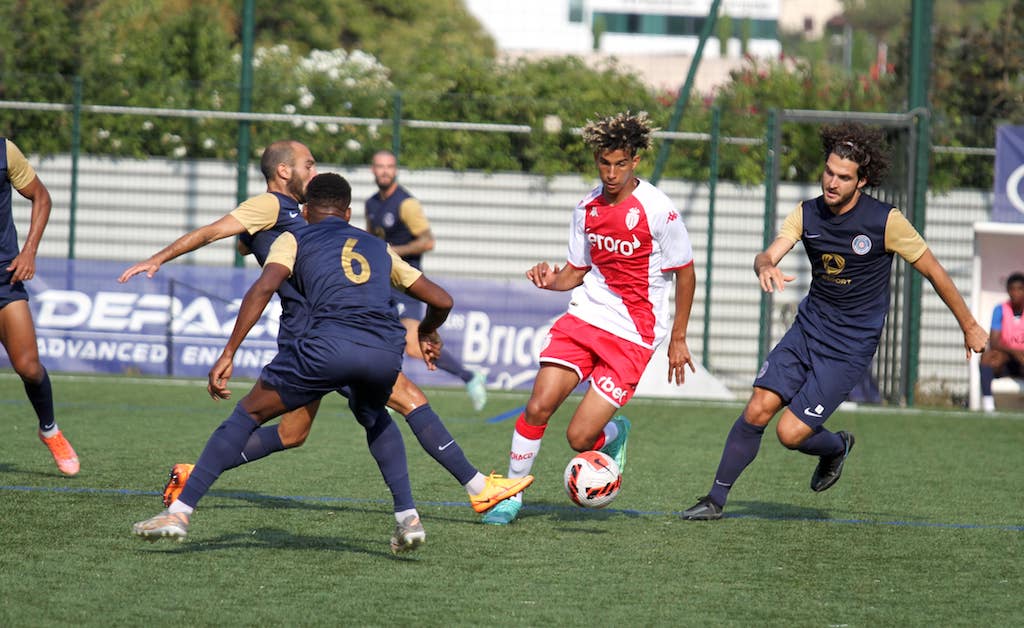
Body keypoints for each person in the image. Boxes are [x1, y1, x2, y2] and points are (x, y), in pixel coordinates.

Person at [119, 141, 530, 516]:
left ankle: (194, 476)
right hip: (316, 332)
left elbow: (247, 245)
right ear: (283, 171)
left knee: (292, 433)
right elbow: (214, 231)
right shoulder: (269, 205)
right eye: (308, 164)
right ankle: (478, 488)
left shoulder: (298, 214)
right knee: (408, 398)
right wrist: (160, 258)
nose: (314, 172)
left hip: (325, 325)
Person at [681, 122, 989, 521]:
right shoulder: (806, 213)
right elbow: (768, 253)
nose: (832, 182)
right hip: (807, 330)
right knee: (757, 408)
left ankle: (836, 447)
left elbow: (934, 271)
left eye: (843, 177)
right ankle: (715, 500)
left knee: (789, 434)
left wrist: (968, 324)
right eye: (829, 171)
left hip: (849, 348)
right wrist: (764, 265)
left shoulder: (886, 221)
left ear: (862, 181)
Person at [132, 173, 451, 551]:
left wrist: (229, 352)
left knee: (247, 414)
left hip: (325, 347)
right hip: (384, 351)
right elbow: (442, 299)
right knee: (375, 416)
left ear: (304, 210)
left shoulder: (294, 236)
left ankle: (180, 513)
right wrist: (427, 331)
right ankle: (408, 519)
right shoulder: (378, 248)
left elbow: (265, 286)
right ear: (348, 212)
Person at [482, 111, 697, 525]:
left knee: (580, 438)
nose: (611, 173)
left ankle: (615, 434)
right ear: (596, 161)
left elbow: (685, 273)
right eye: (604, 163)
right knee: (538, 406)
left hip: (633, 335)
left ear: (635, 161)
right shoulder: (585, 207)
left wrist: (679, 337)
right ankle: (510, 495)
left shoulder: (659, 211)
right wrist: (549, 281)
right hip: (584, 319)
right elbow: (575, 272)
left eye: (620, 164)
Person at [366, 150, 488, 411]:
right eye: (380, 166)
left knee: (412, 345)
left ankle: (469, 376)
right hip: (381, 283)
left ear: (395, 169)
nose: (385, 171)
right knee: (380, 335)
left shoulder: (406, 204)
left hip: (406, 284)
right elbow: (372, 240)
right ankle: (387, 390)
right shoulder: (371, 204)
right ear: (372, 170)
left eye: (389, 166)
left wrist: (393, 252)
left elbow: (427, 241)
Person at [1, 137, 78, 476]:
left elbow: (41, 197)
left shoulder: (4, 151)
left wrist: (29, 249)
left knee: (29, 367)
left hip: (4, 276)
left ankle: (49, 429)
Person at [978, 272, 1024, 412]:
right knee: (987, 357)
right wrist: (1014, 352)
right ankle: (988, 404)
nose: (1015, 293)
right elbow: (995, 341)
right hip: (1006, 358)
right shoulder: (1000, 310)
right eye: (1012, 289)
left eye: (1019, 289)